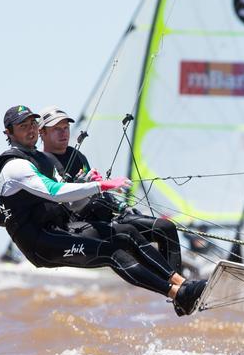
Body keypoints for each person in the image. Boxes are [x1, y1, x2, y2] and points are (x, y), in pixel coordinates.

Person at [0, 105, 205, 315]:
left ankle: (182, 285)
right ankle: (179, 293)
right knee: (112, 252)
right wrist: (102, 185)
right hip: (40, 243)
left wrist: (89, 182)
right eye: (23, 126)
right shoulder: (14, 166)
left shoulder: (40, 159)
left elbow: (70, 187)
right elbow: (56, 191)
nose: (30, 129)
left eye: (32, 123)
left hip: (61, 230)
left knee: (126, 234)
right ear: (9, 132)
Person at [37, 105, 185, 272]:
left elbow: (96, 190)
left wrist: (122, 207)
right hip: (81, 225)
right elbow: (68, 203)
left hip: (106, 215)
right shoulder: (42, 163)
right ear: (42, 132)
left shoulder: (77, 156)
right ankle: (172, 285)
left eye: (66, 128)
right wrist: (85, 185)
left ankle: (179, 289)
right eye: (57, 129)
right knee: (128, 233)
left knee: (166, 228)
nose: (64, 133)